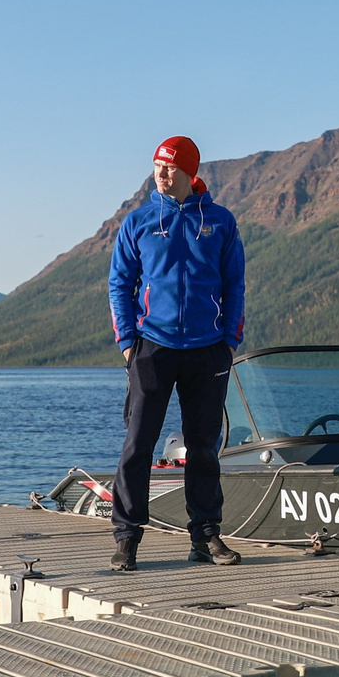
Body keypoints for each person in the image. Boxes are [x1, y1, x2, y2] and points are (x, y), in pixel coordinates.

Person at [106, 135, 247, 572]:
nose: (161, 174)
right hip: (153, 348)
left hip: (207, 351)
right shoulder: (139, 222)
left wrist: (230, 341)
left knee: (203, 448)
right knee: (138, 446)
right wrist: (129, 343)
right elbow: (119, 285)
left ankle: (206, 538)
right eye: (157, 166)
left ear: (190, 172)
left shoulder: (220, 222)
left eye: (170, 167)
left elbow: (234, 285)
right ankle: (127, 540)